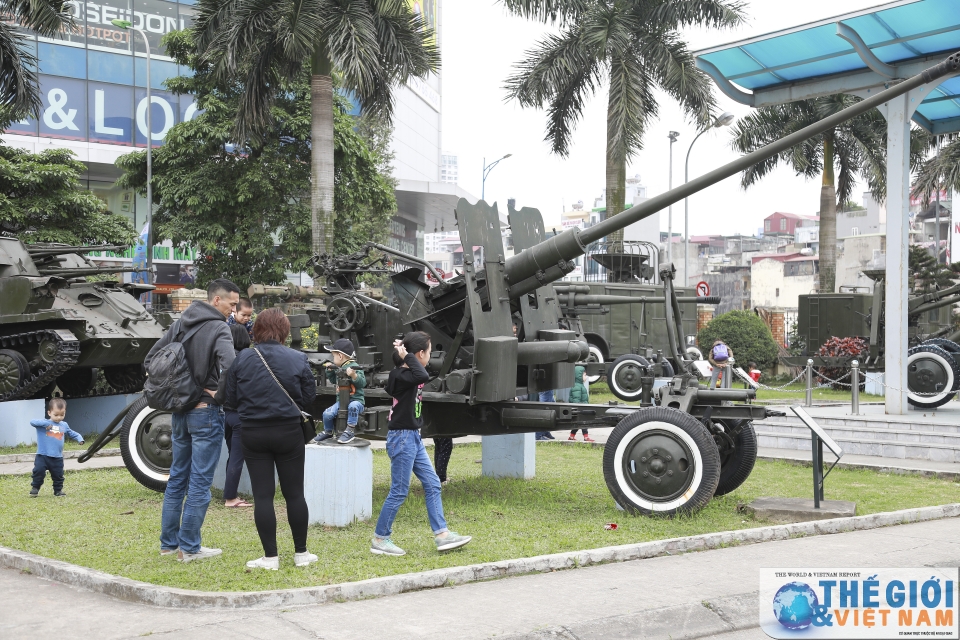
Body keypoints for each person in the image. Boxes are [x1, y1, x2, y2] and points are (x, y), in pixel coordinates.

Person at [145, 278, 239, 563]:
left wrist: (180, 390)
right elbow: (232, 368)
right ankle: (190, 548)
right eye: (232, 304)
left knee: (177, 479)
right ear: (216, 301)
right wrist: (217, 394)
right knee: (199, 482)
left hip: (178, 413)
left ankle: (168, 545)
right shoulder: (219, 327)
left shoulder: (181, 322)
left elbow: (151, 359)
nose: (234, 310)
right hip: (205, 413)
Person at [223, 308, 318, 570]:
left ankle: (270, 558)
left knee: (263, 496)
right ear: (285, 330)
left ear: (257, 330)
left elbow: (230, 399)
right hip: (289, 431)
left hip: (253, 432)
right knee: (294, 494)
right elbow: (309, 397)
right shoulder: (297, 358)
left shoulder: (242, 359)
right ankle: (301, 553)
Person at [371, 332, 472, 557]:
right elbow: (422, 374)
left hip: (412, 438)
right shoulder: (401, 375)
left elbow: (419, 374)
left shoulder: (407, 375)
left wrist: (405, 354)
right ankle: (380, 538)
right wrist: (407, 355)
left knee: (433, 484)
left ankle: (442, 535)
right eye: (428, 352)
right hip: (402, 438)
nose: (430, 356)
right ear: (419, 354)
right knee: (399, 491)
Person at [222, 325, 252, 508]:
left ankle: (229, 491)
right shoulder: (245, 359)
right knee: (237, 457)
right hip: (241, 414)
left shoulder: (224, 357)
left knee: (232, 455)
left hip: (225, 412)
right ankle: (230, 498)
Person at [315, 338, 366, 444]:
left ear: (340, 356)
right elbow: (334, 381)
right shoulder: (339, 368)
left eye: (333, 355)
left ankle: (350, 430)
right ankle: (328, 432)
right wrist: (329, 371)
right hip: (341, 401)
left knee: (353, 407)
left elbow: (362, 383)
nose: (333, 358)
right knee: (327, 414)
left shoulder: (354, 367)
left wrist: (353, 375)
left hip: (356, 401)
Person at [29, 398, 83, 497]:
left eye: (62, 415)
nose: (59, 418)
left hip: (57, 457)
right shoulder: (44, 424)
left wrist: (80, 438)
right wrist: (46, 424)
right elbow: (32, 422)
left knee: (58, 475)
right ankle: (35, 488)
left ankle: (58, 490)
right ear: (49, 413)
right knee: (38, 472)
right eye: (56, 415)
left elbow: (72, 433)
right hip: (42, 455)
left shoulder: (64, 425)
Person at [567, 365, 595, 442]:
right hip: (580, 409)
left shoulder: (580, 386)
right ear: (579, 376)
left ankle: (571, 436)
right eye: (584, 375)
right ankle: (586, 437)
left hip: (582, 408)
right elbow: (576, 400)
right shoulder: (577, 387)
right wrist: (579, 409)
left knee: (577, 424)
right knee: (584, 423)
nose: (586, 377)